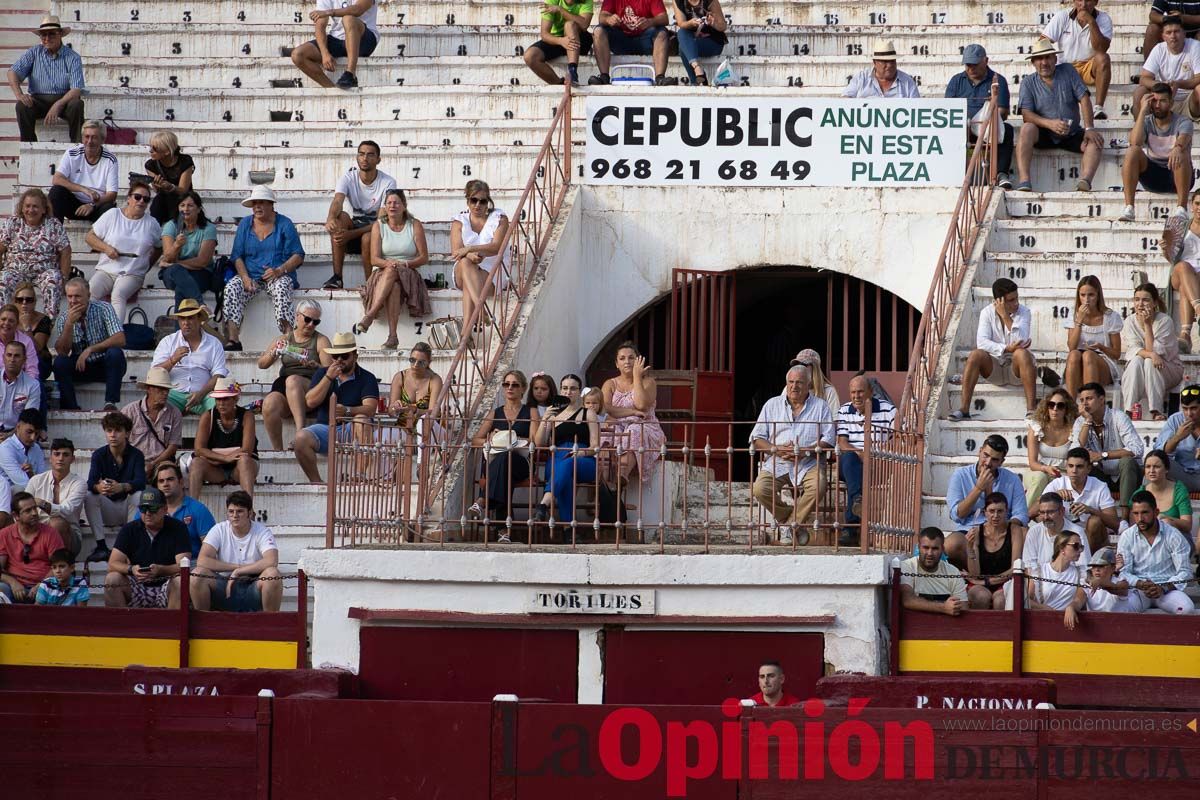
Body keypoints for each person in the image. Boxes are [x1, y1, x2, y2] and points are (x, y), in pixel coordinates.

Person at [750, 364, 835, 543]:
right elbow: (757, 438)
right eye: (790, 382)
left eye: (799, 382)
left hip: (807, 462)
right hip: (778, 461)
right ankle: (793, 523)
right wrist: (776, 449)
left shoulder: (821, 406)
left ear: (808, 384)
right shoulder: (772, 404)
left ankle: (789, 526)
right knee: (760, 489)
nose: (794, 386)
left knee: (818, 485)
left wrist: (805, 451)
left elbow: (829, 438)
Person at [1015, 36, 1103, 192]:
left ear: (1055, 58)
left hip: (1072, 132)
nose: (1044, 62)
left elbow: (1084, 97)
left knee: (1095, 140)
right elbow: (1026, 114)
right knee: (1027, 128)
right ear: (1033, 62)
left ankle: (1085, 180)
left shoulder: (1068, 70)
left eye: (1048, 57)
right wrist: (1050, 124)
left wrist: (1089, 128)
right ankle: (1024, 180)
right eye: (1039, 59)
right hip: (1044, 134)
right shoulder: (1028, 82)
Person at [223, 186, 305, 352]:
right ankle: (233, 339)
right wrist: (245, 278)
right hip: (251, 276)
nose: (257, 207)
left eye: (262, 203)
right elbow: (237, 256)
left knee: (282, 287)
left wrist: (279, 270)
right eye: (255, 203)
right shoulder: (245, 224)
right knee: (232, 287)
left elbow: (298, 255)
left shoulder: (284, 223)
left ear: (271, 205)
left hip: (278, 275)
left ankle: (290, 339)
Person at [295, 332, 379, 483]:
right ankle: (317, 483)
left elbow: (371, 409)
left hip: (352, 428)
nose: (339, 360)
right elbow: (310, 402)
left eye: (345, 356)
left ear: (355, 356)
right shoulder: (323, 373)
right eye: (336, 356)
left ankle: (359, 476)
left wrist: (348, 411)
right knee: (301, 438)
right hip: (326, 428)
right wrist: (328, 377)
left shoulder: (367, 377)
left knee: (362, 420)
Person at [949, 278, 1037, 420]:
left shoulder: (1024, 312)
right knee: (975, 355)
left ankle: (1031, 410)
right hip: (995, 369)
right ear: (999, 301)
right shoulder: (986, 313)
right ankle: (964, 409)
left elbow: (1022, 340)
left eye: (1017, 298)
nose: (1016, 303)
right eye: (1011, 300)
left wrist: (1005, 317)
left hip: (1018, 370)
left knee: (1021, 353)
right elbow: (982, 343)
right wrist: (1006, 349)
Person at [468, 370, 541, 534]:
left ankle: (482, 499)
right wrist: (492, 439)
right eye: (506, 384)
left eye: (515, 385)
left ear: (523, 389)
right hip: (500, 463)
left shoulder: (531, 412)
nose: (510, 388)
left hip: (521, 463)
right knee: (503, 466)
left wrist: (513, 439)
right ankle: (504, 531)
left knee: (505, 459)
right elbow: (475, 440)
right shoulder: (495, 413)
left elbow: (534, 440)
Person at [356, 188, 430, 348]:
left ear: (404, 205)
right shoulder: (379, 225)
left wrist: (405, 264)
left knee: (394, 271)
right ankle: (393, 337)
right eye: (389, 203)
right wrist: (390, 264)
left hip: (408, 271)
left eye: (396, 202)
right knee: (394, 283)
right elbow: (374, 259)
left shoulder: (414, 224)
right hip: (383, 272)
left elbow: (424, 257)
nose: (392, 206)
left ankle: (370, 314)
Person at [944, 435, 1029, 568]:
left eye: (995, 459)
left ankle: (1010, 575)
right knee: (950, 544)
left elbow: (1021, 516)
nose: (988, 462)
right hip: (969, 529)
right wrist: (978, 488)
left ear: (1001, 461)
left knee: (1024, 533)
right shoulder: (960, 475)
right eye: (985, 455)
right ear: (979, 451)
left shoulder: (1012, 479)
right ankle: (972, 575)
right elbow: (957, 514)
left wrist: (999, 529)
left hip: (1002, 532)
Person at [191, 490, 282, 612]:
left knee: (273, 574)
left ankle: (270, 626)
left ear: (250, 513)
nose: (234, 515)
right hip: (224, 586)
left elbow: (272, 561)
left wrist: (239, 571)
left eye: (240, 511)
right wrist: (236, 568)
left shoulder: (262, 531)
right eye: (231, 511)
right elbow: (202, 561)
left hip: (252, 586)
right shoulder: (219, 529)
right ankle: (203, 626)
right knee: (197, 574)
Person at [322, 140, 396, 289]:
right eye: (361, 154)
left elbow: (381, 221)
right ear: (357, 157)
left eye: (370, 155)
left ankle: (371, 282)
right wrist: (330, 219)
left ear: (378, 159)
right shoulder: (348, 177)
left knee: (368, 237)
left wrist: (351, 234)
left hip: (376, 235)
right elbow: (337, 202)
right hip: (354, 230)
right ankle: (337, 277)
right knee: (340, 218)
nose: (365, 158)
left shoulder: (388, 182)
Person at [85, 181, 163, 323]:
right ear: (128, 198)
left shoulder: (152, 224)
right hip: (106, 270)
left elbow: (159, 247)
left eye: (146, 199)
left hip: (133, 274)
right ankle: (88, 330)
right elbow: (89, 237)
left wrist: (146, 266)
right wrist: (106, 249)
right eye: (137, 197)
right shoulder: (113, 214)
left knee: (118, 294)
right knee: (91, 291)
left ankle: (115, 336)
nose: (141, 201)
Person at [259, 300, 332, 450]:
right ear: (297, 317)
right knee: (269, 403)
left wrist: (316, 365)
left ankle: (300, 433)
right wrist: (273, 354)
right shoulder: (284, 339)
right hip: (285, 386)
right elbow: (261, 364)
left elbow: (330, 371)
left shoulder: (321, 340)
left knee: (292, 381)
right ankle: (278, 451)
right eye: (307, 319)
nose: (311, 324)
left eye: (315, 321)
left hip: (311, 388)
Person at [533, 373, 600, 532]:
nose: (568, 392)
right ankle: (569, 531)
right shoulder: (553, 414)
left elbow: (595, 446)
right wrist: (545, 420)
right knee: (566, 477)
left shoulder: (587, 413)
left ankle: (544, 503)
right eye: (564, 388)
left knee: (569, 463)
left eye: (572, 389)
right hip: (557, 459)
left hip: (584, 459)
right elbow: (539, 443)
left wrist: (581, 453)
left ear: (579, 391)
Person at [104, 487, 189, 609]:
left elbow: (183, 566)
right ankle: (120, 626)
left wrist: (160, 570)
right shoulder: (129, 529)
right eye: (143, 508)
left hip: (167, 585)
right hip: (137, 585)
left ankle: (173, 626)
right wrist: (131, 569)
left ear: (165, 509)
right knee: (112, 579)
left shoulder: (178, 528)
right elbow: (112, 564)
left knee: (180, 581)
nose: (148, 513)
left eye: (153, 508)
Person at [836, 373, 896, 541]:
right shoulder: (844, 410)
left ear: (871, 391)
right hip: (851, 462)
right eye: (853, 392)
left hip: (878, 463)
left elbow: (898, 440)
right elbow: (842, 442)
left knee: (854, 473)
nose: (857, 396)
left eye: (861, 392)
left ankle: (850, 527)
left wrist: (876, 453)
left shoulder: (889, 410)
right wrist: (861, 453)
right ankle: (856, 501)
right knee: (849, 458)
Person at [945, 43, 1014, 189]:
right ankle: (949, 172)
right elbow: (948, 109)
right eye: (968, 65)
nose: (970, 68)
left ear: (985, 61)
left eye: (974, 65)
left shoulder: (998, 80)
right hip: (962, 126)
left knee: (1007, 129)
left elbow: (1003, 111)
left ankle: (1001, 174)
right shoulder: (956, 81)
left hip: (988, 127)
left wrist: (984, 122)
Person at [51, 279, 126, 411]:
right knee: (60, 362)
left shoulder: (104, 308)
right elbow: (62, 351)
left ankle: (110, 402)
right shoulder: (64, 318)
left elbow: (120, 339)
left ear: (88, 296)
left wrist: (91, 349)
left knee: (115, 353)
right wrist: (69, 324)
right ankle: (71, 407)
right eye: (70, 296)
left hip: (105, 365)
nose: (73, 301)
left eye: (78, 296)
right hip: (81, 367)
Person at [1122, 84, 1194, 222]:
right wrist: (1143, 110)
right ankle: (1129, 208)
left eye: (1162, 101)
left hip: (1177, 174)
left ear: (1171, 103)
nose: (1157, 105)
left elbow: (1183, 139)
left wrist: (1177, 147)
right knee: (1132, 151)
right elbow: (1135, 143)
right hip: (1153, 176)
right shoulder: (1147, 121)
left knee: (1180, 151)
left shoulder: (1183, 121)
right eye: (1154, 101)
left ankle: (1182, 209)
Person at [8, 15, 84, 143]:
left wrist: (58, 104)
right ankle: (29, 145)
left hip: (64, 100)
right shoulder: (33, 53)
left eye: (51, 34)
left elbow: (76, 89)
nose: (47, 38)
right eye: (43, 35)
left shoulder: (73, 57)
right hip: (38, 101)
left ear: (60, 34)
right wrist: (19, 94)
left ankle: (76, 145)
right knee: (22, 106)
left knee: (77, 104)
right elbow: (12, 72)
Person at [1070, 382, 1144, 513]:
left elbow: (1137, 448)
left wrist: (1103, 455)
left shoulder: (1118, 416)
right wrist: (1087, 421)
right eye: (1082, 400)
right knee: (1082, 465)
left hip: (1126, 476)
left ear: (1102, 399)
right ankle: (1091, 513)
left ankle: (1125, 517)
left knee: (1127, 461)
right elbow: (1075, 452)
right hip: (1101, 476)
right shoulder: (1080, 422)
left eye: (1089, 399)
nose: (1085, 403)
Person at [83, 411, 146, 563]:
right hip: (108, 506)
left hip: (128, 509)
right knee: (90, 496)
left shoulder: (136, 454)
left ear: (127, 433)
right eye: (109, 430)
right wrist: (100, 488)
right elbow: (91, 483)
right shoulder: (99, 454)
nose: (113, 435)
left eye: (118, 430)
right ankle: (101, 546)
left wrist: (122, 487)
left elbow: (141, 482)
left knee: (139, 495)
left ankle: (130, 544)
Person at [602, 342, 668, 484]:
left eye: (631, 358)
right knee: (606, 431)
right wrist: (631, 412)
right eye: (622, 358)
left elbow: (641, 405)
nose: (627, 361)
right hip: (617, 424)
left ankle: (621, 476)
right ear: (616, 363)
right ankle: (604, 479)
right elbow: (605, 408)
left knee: (634, 430)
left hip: (644, 425)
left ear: (638, 361)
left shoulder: (648, 382)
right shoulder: (610, 384)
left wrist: (637, 376)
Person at [1118, 490, 1195, 613]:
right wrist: (1140, 583)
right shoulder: (1127, 536)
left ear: (1156, 512)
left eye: (1145, 513)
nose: (1140, 518)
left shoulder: (1173, 535)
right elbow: (1123, 572)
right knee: (1120, 610)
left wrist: (1162, 588)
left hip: (1167, 591)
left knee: (1187, 609)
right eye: (1136, 514)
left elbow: (1185, 572)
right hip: (1138, 590)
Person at [451, 181, 510, 338]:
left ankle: (465, 333)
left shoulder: (500, 219)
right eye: (473, 200)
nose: (478, 205)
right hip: (464, 269)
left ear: (488, 202)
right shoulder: (459, 221)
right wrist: (469, 256)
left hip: (492, 272)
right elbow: (456, 251)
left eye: (482, 201)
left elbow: (496, 247)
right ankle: (480, 306)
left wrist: (470, 249)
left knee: (469, 283)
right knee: (465, 263)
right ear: (467, 201)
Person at [151, 299, 228, 414]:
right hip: (173, 394)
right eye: (182, 318)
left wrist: (201, 394)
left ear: (199, 319)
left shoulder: (213, 343)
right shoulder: (168, 341)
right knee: (156, 403)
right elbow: (154, 373)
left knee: (219, 406)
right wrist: (172, 360)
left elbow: (219, 374)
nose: (186, 322)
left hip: (204, 395)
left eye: (190, 317)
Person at [1041, 0, 1113, 120]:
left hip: (1089, 67)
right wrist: (1052, 60)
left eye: (1088, 0)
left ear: (1096, 2)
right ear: (1074, 1)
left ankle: (1098, 108)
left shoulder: (1104, 19)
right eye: (1079, 0)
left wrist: (1091, 22)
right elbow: (1042, 43)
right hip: (1065, 68)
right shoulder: (1063, 16)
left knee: (1103, 58)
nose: (1083, 5)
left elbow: (1101, 48)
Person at [0, 188, 71, 310]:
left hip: (45, 271)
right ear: (22, 208)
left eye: (35, 206)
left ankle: (47, 324)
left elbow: (66, 251)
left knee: (54, 280)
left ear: (44, 209)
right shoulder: (12, 223)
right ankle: (4, 321)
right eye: (27, 206)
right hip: (15, 271)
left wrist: (63, 278)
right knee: (3, 280)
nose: (31, 210)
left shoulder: (53, 225)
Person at [1121, 282, 1183, 420]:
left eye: (1145, 299)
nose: (1140, 304)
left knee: (1149, 362)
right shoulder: (1129, 321)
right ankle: (1129, 411)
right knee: (1137, 360)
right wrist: (1151, 354)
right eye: (1137, 299)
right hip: (1140, 370)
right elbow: (1135, 350)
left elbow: (1155, 352)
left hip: (1169, 368)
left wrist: (1148, 324)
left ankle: (1156, 411)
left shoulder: (1165, 321)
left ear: (1154, 302)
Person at [190, 377, 259, 498]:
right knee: (196, 463)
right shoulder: (208, 416)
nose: (221, 403)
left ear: (235, 399)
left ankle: (249, 507)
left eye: (225, 399)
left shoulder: (247, 416)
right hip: (216, 469)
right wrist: (225, 458)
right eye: (218, 399)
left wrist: (216, 457)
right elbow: (199, 449)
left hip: (240, 468)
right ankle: (191, 508)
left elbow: (247, 449)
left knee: (245, 461)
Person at [290, 0, 379, 89]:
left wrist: (329, 12)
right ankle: (332, 90)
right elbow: (320, 25)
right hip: (337, 39)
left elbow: (358, 9)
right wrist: (324, 53)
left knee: (348, 18)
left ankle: (351, 74)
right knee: (298, 55)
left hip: (364, 40)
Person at [1045, 447, 1119, 552]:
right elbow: (1034, 511)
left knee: (1095, 521)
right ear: (1066, 467)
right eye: (1071, 466)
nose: (1074, 471)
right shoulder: (1058, 484)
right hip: (1064, 534)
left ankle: (1086, 562)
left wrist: (1091, 510)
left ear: (1088, 469)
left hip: (1091, 538)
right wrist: (1054, 496)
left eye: (1079, 467)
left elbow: (1115, 524)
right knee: (1045, 517)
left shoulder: (1100, 486)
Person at [383, 341, 443, 468]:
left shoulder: (435, 379)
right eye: (412, 360)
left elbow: (434, 412)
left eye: (421, 362)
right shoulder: (400, 377)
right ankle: (385, 475)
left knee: (424, 420)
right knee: (380, 436)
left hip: (432, 430)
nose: (415, 365)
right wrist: (396, 407)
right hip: (405, 429)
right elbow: (390, 411)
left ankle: (421, 464)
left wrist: (414, 410)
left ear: (428, 363)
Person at [141, 461, 215, 561]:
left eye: (170, 479)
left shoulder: (198, 509)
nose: (165, 484)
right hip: (154, 565)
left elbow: (211, 550)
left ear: (181, 482)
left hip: (190, 565)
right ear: (157, 486)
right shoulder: (146, 509)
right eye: (161, 481)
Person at [587, 0, 673, 86]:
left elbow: (664, 18)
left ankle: (660, 77)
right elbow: (602, 17)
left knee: (662, 33)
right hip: (621, 41)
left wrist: (650, 21)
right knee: (599, 31)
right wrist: (608, 19)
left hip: (645, 41)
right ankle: (604, 76)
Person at [1064, 274, 1123, 397]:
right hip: (1078, 363)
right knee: (1074, 354)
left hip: (1103, 363)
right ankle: (1071, 406)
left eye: (1091, 295)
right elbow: (1071, 347)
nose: (1086, 300)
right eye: (1083, 295)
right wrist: (1079, 320)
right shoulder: (1074, 314)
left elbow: (1116, 354)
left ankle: (1090, 404)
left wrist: (1101, 347)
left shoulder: (1111, 316)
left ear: (1098, 295)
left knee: (1088, 355)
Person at [157, 191, 219, 308]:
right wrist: (176, 245)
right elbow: (168, 257)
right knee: (177, 273)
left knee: (182, 288)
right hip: (173, 274)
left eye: (190, 205)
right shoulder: (171, 226)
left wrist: (175, 264)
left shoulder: (208, 228)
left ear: (199, 209)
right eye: (182, 205)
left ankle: (180, 326)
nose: (186, 209)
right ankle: (201, 304)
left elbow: (202, 261)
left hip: (200, 273)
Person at [47, 120, 117, 222]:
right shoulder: (72, 153)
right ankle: (54, 234)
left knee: (110, 209)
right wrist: (84, 190)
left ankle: (96, 238)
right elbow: (57, 179)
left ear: (102, 140)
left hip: (96, 206)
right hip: (74, 205)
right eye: (86, 137)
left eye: (94, 137)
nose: (89, 141)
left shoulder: (110, 160)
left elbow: (112, 195)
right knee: (56, 191)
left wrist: (92, 205)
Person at [962, 492, 1023, 609]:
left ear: (1006, 511)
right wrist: (969, 547)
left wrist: (987, 581)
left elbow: (1015, 568)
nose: (995, 516)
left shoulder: (1015, 531)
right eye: (991, 511)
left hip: (1005, 582)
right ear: (985, 512)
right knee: (980, 597)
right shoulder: (977, 532)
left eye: (1000, 511)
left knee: (1000, 601)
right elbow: (975, 573)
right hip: (980, 582)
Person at [27, 439, 85, 559]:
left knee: (57, 523)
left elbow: (66, 510)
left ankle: (63, 565)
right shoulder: (36, 480)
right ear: (50, 458)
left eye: (65, 454)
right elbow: (22, 508)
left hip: (69, 535)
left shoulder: (79, 483)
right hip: (37, 531)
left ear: (73, 459)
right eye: (57, 454)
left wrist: (40, 503)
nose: (60, 458)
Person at [0, 491, 64, 602]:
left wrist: (42, 585)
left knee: (48, 593)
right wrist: (12, 582)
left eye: (35, 508)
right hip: (14, 587)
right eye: (28, 511)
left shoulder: (51, 533)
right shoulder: (4, 534)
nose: (34, 513)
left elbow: (59, 565)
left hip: (45, 585)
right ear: (16, 516)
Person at [120, 367, 182, 474]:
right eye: (160, 389)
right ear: (149, 389)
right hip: (134, 462)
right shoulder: (129, 411)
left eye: (166, 389)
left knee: (168, 477)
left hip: (162, 463)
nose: (165, 393)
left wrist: (153, 464)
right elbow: (121, 442)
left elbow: (173, 446)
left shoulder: (174, 413)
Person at [899, 527, 970, 616]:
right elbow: (908, 600)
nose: (930, 553)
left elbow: (963, 607)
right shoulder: (908, 566)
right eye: (925, 547)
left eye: (935, 548)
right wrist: (943, 607)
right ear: (918, 547)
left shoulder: (953, 571)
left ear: (943, 549)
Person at [1025, 531, 1088, 630]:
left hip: (1067, 624)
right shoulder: (1039, 570)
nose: (1080, 550)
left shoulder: (1081, 572)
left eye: (1081, 547)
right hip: (1041, 622)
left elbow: (1080, 598)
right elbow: (1027, 600)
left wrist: (1071, 607)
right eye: (1076, 546)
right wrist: (1045, 609)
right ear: (1062, 548)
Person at [1136, 16, 1200, 113]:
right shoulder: (1159, 49)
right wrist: (1161, 85)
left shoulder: (1195, 46)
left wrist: (1178, 84)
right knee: (1139, 92)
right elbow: (1143, 79)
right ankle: (1140, 127)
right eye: (1168, 32)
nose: (1173, 36)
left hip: (1188, 100)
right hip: (1162, 100)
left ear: (1184, 34)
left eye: (1176, 31)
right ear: (1163, 36)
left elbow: (1198, 78)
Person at [1026, 388, 1077, 506]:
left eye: (1060, 406)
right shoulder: (1036, 427)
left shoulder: (1073, 429)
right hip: (1040, 470)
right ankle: (1024, 516)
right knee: (1039, 479)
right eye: (1051, 405)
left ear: (1066, 409)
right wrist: (1046, 469)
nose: (1055, 409)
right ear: (1046, 407)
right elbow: (1032, 463)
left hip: (1064, 473)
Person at [526, 0, 596, 86]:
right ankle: (559, 83)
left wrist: (561, 10)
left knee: (569, 25)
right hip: (558, 40)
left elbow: (584, 25)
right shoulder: (552, 1)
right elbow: (544, 34)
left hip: (580, 40)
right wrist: (561, 41)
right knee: (530, 56)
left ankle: (572, 71)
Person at [1023, 492, 1093, 571]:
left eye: (1050, 512)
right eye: (1042, 512)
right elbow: (1029, 567)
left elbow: (1083, 568)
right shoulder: (1034, 532)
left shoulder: (1077, 533)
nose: (1046, 517)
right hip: (1039, 581)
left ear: (1062, 511)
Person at [1137, 448, 1193, 539]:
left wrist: (1167, 519)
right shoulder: (1140, 493)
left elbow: (1187, 525)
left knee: (1166, 523)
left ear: (1166, 469)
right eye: (1148, 467)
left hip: (1179, 540)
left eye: (1156, 467)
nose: (1151, 471)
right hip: (1149, 542)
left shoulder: (1179, 490)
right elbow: (1134, 525)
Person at [1169, 190, 1200, 350]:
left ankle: (1185, 335)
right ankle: (1199, 309)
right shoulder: (1181, 226)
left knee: (1185, 287)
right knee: (1183, 266)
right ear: (1192, 205)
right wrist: (1165, 248)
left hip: (1196, 277)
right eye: (1197, 203)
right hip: (1180, 271)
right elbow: (1170, 258)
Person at [144, 130, 195, 226]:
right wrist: (157, 185)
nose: (151, 151)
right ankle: (155, 231)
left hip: (183, 198)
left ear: (167, 152)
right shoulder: (150, 165)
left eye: (155, 149)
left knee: (180, 204)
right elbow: (157, 190)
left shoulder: (185, 161)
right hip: (163, 199)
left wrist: (169, 186)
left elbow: (183, 190)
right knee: (157, 203)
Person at [1155, 383, 1200, 491]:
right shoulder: (1175, 420)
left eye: (1194, 408)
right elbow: (1160, 453)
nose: (1189, 413)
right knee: (1156, 461)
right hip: (1182, 475)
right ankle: (1147, 505)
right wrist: (1177, 437)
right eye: (1185, 409)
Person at [842, 38, 920, 99]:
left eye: (892, 61)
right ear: (875, 62)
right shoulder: (861, 79)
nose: (889, 65)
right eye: (885, 61)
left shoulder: (907, 82)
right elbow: (845, 101)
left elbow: (917, 107)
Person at [673, 0, 727, 87]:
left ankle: (695, 81)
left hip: (713, 42)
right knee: (682, 33)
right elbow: (681, 23)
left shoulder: (710, 1)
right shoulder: (678, 1)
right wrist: (690, 23)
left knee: (683, 47)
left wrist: (713, 23)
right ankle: (698, 70)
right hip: (691, 41)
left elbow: (723, 26)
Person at [0, 410, 46, 509]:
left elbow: (43, 480)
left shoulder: (37, 448)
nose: (33, 437)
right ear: (18, 427)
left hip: (31, 493)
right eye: (29, 432)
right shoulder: (5, 448)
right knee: (20, 489)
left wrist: (32, 475)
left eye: (36, 434)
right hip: (6, 494)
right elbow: (22, 482)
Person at [13, 282, 53, 380]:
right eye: (20, 299)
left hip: (39, 361)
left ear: (34, 302)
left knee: (34, 366)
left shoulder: (43, 319)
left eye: (29, 300)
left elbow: (37, 349)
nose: (24, 303)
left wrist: (27, 327)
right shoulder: (9, 319)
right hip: (14, 360)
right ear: (15, 302)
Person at [0, 341, 40, 434]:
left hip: (17, 435)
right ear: (3, 357)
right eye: (9, 355)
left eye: (17, 356)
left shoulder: (33, 385)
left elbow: (29, 420)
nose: (12, 359)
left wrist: (10, 435)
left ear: (24, 360)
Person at [1084, 546, 1139, 612]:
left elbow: (1120, 588)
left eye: (1101, 566)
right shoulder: (1087, 582)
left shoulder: (1121, 580)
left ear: (1113, 568)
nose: (1097, 569)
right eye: (1094, 566)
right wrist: (1071, 607)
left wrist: (1100, 582)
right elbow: (1077, 600)